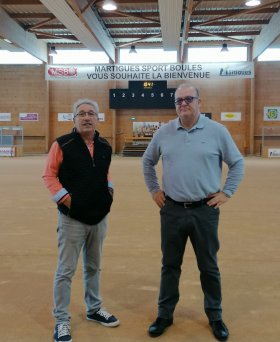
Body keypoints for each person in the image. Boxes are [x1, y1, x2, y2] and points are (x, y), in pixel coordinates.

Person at [142, 84, 244, 341]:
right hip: (172, 210)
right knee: (170, 266)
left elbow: (237, 162)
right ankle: (164, 315)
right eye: (179, 100)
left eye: (188, 99)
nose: (183, 103)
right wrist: (155, 188)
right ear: (175, 104)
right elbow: (147, 161)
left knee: (209, 267)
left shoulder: (217, 131)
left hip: (204, 211)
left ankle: (215, 316)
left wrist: (227, 192)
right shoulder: (164, 132)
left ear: (199, 101)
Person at [42, 98, 119, 342]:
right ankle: (61, 321)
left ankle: (94, 309)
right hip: (72, 219)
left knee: (94, 267)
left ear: (98, 119)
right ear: (74, 119)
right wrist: (67, 200)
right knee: (66, 271)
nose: (86, 117)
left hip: (99, 218)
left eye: (91, 113)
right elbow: (49, 175)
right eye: (81, 113)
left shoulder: (105, 145)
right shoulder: (62, 144)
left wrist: (109, 190)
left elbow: (105, 171)